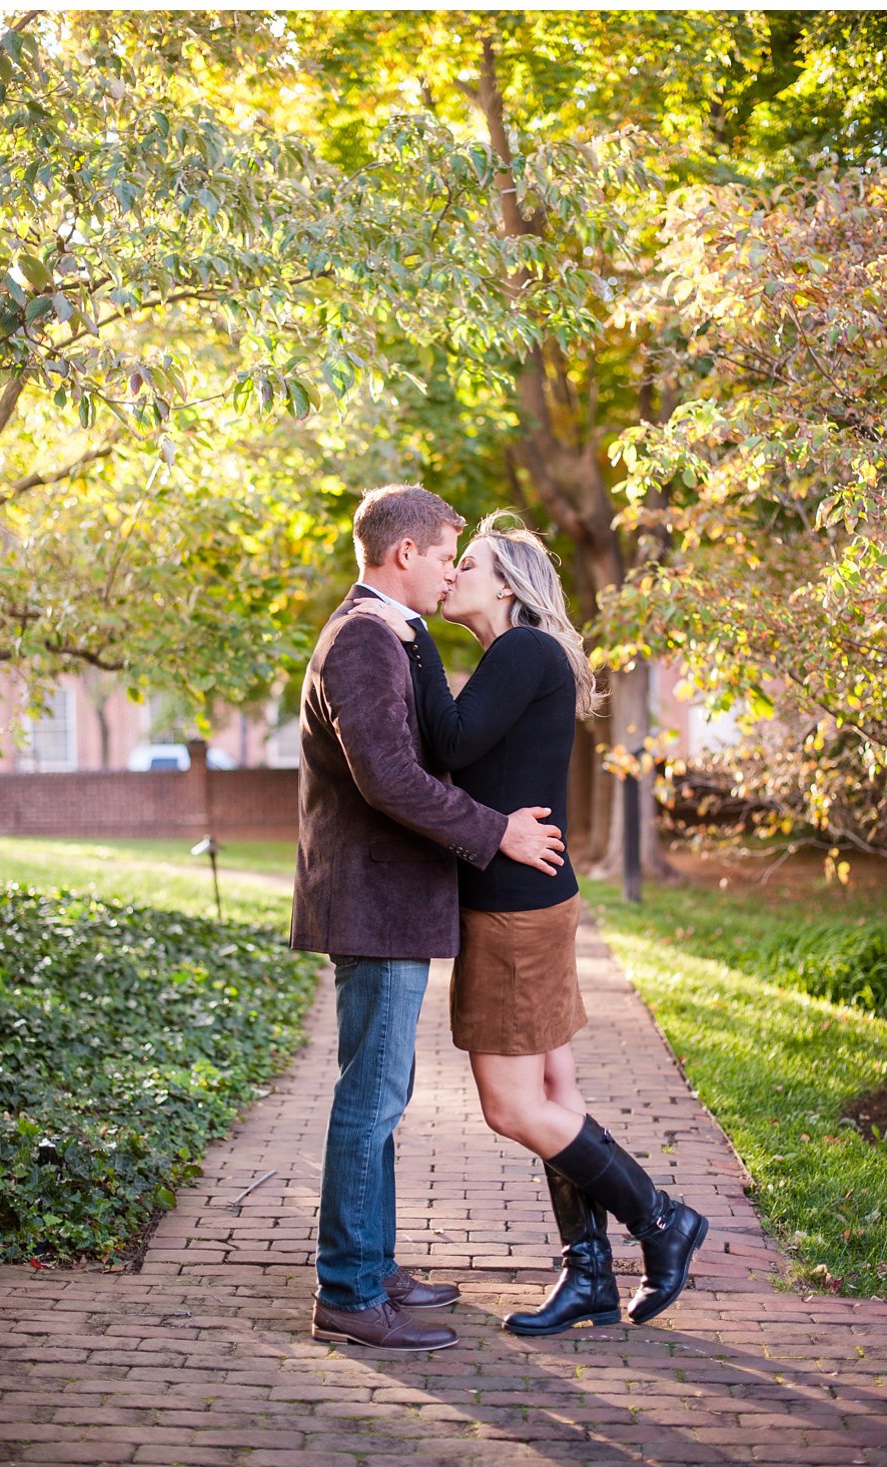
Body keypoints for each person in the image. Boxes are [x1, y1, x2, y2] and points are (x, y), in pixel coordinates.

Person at [354, 513, 708, 1337]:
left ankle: (661, 1222)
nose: (450, 575)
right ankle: (587, 1272)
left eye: (465, 564)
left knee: (512, 1108)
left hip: (515, 912)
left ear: (505, 585)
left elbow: (447, 740)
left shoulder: (519, 651)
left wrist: (410, 635)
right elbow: (466, 754)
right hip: (529, 901)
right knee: (557, 1094)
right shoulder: (513, 658)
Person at [290, 484, 566, 1353]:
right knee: (369, 1100)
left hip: (389, 904)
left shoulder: (386, 635)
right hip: (375, 906)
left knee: (383, 1094)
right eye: (446, 553)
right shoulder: (364, 639)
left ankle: (374, 1266)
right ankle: (348, 1289)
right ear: (404, 554)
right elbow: (391, 780)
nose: (451, 570)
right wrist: (498, 833)